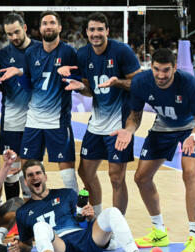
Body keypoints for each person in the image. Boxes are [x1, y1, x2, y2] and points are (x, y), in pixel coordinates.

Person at [112, 48, 195, 252]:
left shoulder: (189, 83)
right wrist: (128, 130)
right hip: (163, 126)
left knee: (189, 172)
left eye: (166, 70)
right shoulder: (141, 82)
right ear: (151, 67)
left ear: (175, 68)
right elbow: (134, 116)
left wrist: (193, 136)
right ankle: (159, 232)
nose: (161, 75)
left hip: (190, 128)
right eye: (157, 69)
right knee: (141, 178)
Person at [57, 12, 141, 220]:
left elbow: (140, 84)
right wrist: (81, 87)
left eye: (100, 29)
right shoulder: (83, 54)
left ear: (107, 31)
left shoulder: (121, 51)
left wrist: (118, 82)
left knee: (116, 178)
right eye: (92, 30)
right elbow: (90, 89)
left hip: (119, 124)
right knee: (85, 172)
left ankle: (117, 225)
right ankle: (98, 217)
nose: (96, 34)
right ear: (86, 32)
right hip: (96, 124)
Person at [8, 160, 165, 252]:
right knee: (40, 226)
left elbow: (82, 220)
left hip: (88, 244)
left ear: (45, 176)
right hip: (62, 250)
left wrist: (90, 217)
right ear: (26, 183)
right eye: (30, 175)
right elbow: (27, 245)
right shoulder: (23, 212)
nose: (35, 177)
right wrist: (19, 249)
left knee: (112, 212)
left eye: (38, 173)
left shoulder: (67, 194)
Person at [0, 11, 79, 193]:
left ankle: (77, 209)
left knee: (67, 173)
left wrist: (73, 76)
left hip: (57, 122)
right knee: (29, 170)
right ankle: (31, 207)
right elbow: (29, 85)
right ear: (40, 28)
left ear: (59, 27)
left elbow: (81, 80)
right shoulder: (31, 53)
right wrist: (19, 74)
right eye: (44, 23)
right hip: (33, 122)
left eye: (52, 23)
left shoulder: (69, 52)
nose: (48, 26)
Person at [0, 12, 40, 201]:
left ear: (25, 28)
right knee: (11, 171)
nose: (14, 37)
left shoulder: (40, 50)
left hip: (36, 122)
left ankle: (31, 213)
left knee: (32, 171)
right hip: (11, 123)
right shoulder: (2, 55)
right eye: (9, 34)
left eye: (17, 32)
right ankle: (13, 215)